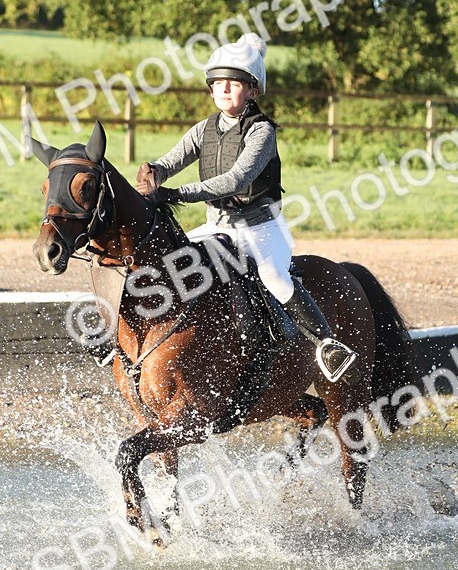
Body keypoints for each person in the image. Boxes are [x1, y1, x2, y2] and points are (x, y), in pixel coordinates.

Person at [135, 32, 357, 383]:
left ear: (252, 91)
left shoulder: (262, 132)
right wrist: (153, 173)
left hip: (261, 230)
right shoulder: (202, 129)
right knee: (171, 264)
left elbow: (236, 180)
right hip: (216, 225)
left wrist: (176, 194)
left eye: (234, 83)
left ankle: (328, 344)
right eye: (218, 83)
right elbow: (169, 162)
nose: (224, 89)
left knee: (274, 278)